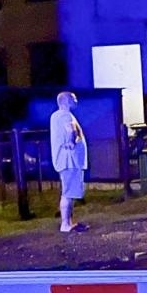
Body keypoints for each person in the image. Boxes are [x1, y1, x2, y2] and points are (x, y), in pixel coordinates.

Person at [50, 91, 88, 232]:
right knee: (68, 192)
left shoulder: (55, 116)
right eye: (73, 98)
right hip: (70, 160)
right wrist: (72, 141)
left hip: (65, 160)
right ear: (66, 101)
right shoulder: (65, 116)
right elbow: (71, 130)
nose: (76, 100)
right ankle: (65, 224)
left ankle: (68, 222)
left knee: (69, 192)